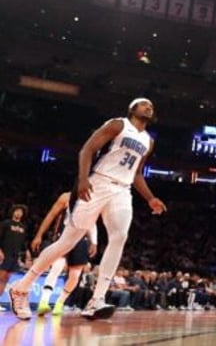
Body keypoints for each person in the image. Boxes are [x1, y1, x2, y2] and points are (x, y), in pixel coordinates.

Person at [7, 98, 167, 321]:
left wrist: (150, 198)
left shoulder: (148, 141)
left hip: (122, 190)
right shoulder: (117, 125)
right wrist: (83, 178)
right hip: (97, 183)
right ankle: (21, 287)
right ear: (132, 109)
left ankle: (97, 300)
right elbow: (87, 150)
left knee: (120, 236)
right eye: (144, 104)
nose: (149, 107)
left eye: (152, 105)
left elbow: (137, 173)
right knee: (67, 242)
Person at [30, 191, 98, 316]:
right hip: (63, 235)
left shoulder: (95, 199)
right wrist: (39, 235)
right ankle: (43, 302)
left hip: (81, 238)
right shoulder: (66, 197)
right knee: (56, 267)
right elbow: (50, 216)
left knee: (75, 275)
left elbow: (92, 222)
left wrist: (94, 241)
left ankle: (59, 303)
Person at [0, 205, 29, 301]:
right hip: (4, 255)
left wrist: (26, 252)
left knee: (6, 279)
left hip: (14, 256)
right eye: (17, 211)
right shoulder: (6, 223)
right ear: (12, 212)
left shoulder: (23, 227)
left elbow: (23, 243)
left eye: (21, 212)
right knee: (0, 277)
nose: (18, 213)